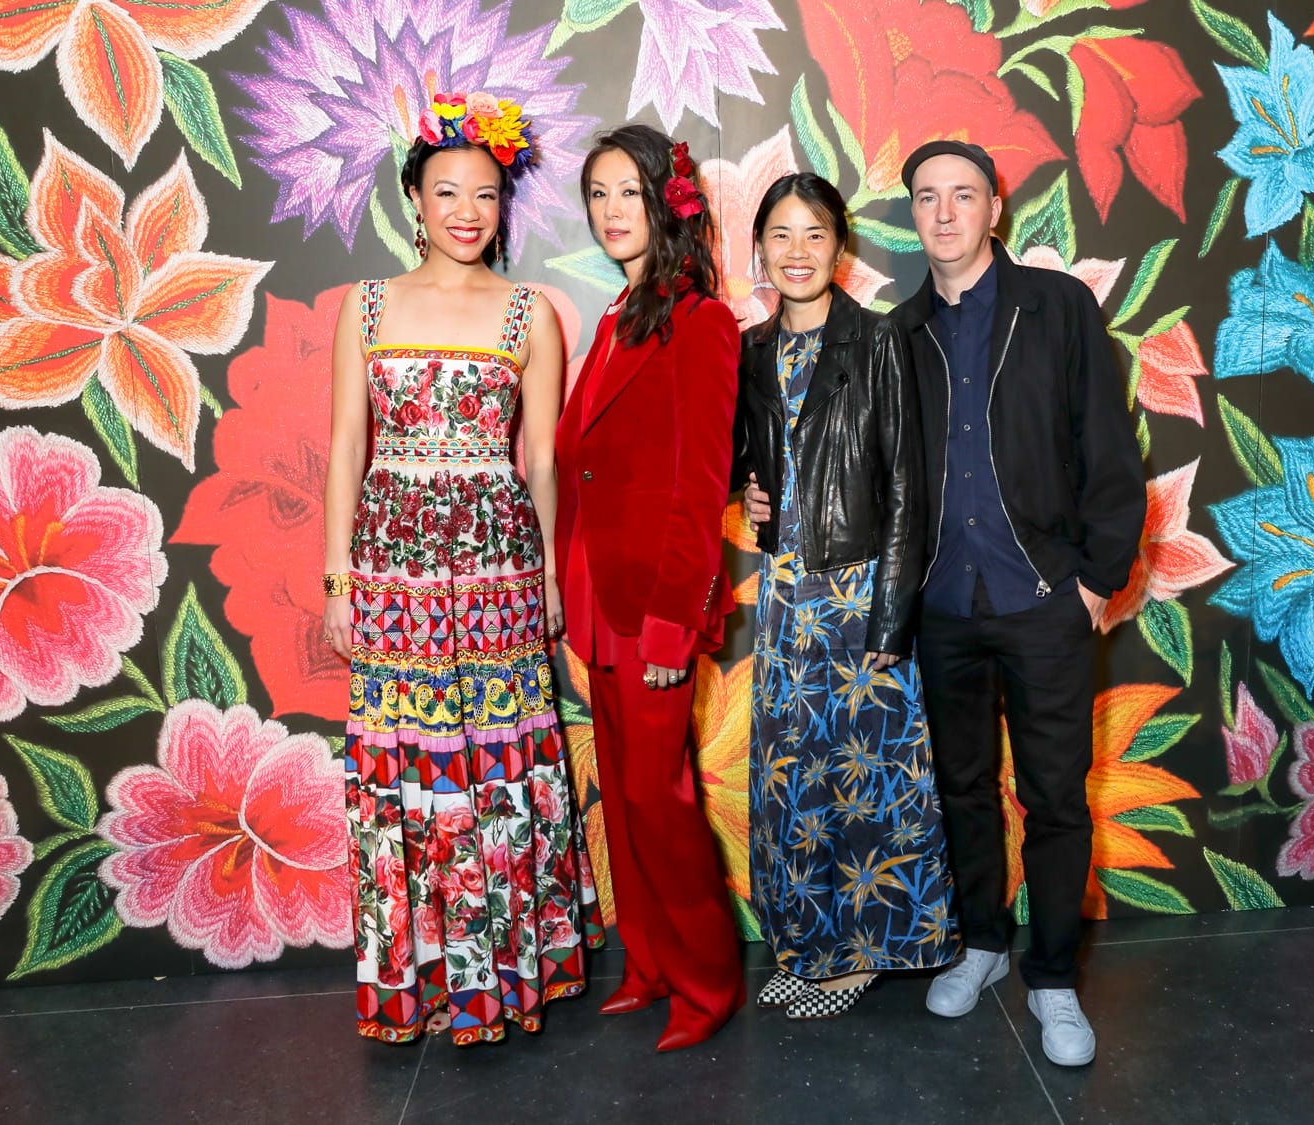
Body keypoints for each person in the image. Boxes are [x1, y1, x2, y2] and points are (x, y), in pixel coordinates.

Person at [745, 140, 1145, 1066]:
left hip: (1043, 597)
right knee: (960, 788)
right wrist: (769, 493)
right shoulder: (899, 331)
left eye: (964, 196)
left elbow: (1111, 457)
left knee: (1053, 798)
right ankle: (983, 943)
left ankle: (1051, 977)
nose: (945, 213)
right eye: (927, 198)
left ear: (995, 208)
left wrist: (1094, 581)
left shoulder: (1058, 308)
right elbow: (850, 457)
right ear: (911, 215)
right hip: (943, 605)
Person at [323, 91, 602, 1045]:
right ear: (414, 198)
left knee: (497, 770)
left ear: (503, 205)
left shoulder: (532, 314)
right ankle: (417, 980)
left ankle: (500, 978)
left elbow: (541, 464)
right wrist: (338, 582)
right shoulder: (366, 306)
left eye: (484, 195)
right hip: (393, 570)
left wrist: (554, 583)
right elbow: (344, 450)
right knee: (405, 767)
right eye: (447, 192)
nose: (467, 212)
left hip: (499, 574)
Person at [735, 173, 955, 1019]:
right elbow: (745, 459)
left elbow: (907, 486)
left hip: (859, 591)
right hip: (785, 593)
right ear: (761, 248)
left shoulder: (876, 340)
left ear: (841, 245)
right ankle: (806, 944)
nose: (797, 252)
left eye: (815, 235)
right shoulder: (752, 349)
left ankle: (859, 954)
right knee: (791, 778)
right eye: (782, 236)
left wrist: (890, 620)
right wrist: (751, 492)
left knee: (861, 780)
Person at [553, 124, 744, 1052]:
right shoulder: (609, 323)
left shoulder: (700, 322)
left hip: (653, 611)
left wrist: (674, 624)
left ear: (668, 202)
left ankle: (706, 981)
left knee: (660, 798)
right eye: (597, 194)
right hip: (599, 605)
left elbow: (702, 486)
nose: (609, 211)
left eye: (627, 191)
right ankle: (648, 965)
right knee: (624, 799)